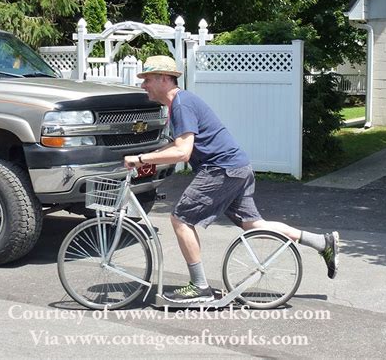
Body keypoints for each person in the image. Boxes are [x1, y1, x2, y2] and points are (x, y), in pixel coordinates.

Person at [124, 55, 339, 303]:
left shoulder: (182, 104)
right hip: (236, 167)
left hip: (222, 169)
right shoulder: (180, 103)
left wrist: (140, 159)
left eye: (147, 79)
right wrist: (146, 157)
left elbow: (183, 153)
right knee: (253, 225)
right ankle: (322, 242)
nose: (143, 85)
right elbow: (178, 144)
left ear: (164, 78)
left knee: (180, 218)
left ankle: (199, 286)